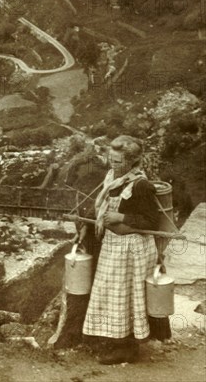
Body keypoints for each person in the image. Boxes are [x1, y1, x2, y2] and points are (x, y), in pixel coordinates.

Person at [82, 135, 163, 364]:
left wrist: (120, 216)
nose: (112, 164)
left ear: (133, 162)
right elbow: (103, 206)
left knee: (126, 297)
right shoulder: (113, 177)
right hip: (115, 245)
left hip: (133, 248)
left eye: (118, 162)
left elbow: (151, 222)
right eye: (111, 159)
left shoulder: (140, 184)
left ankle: (127, 348)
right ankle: (117, 341)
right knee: (112, 296)